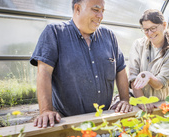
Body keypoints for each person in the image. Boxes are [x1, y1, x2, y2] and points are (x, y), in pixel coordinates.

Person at [30, 0, 133, 128]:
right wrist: (46, 110)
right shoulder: (54, 33)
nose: (100, 16)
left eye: (102, 11)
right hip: (67, 123)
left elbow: (120, 70)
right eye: (96, 10)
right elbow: (44, 72)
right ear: (77, 8)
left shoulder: (109, 36)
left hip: (104, 121)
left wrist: (124, 100)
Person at [128, 9, 169, 113]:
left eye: (153, 28)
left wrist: (148, 76)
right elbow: (133, 77)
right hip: (137, 102)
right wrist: (142, 101)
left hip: (160, 104)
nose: (150, 33)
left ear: (164, 25)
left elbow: (160, 83)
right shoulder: (138, 45)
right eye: (146, 30)